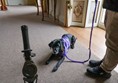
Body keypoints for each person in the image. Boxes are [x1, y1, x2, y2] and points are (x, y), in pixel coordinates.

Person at [86, 0, 118, 79]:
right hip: (112, 5)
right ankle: (106, 61)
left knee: (114, 39)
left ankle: (105, 70)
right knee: (109, 34)